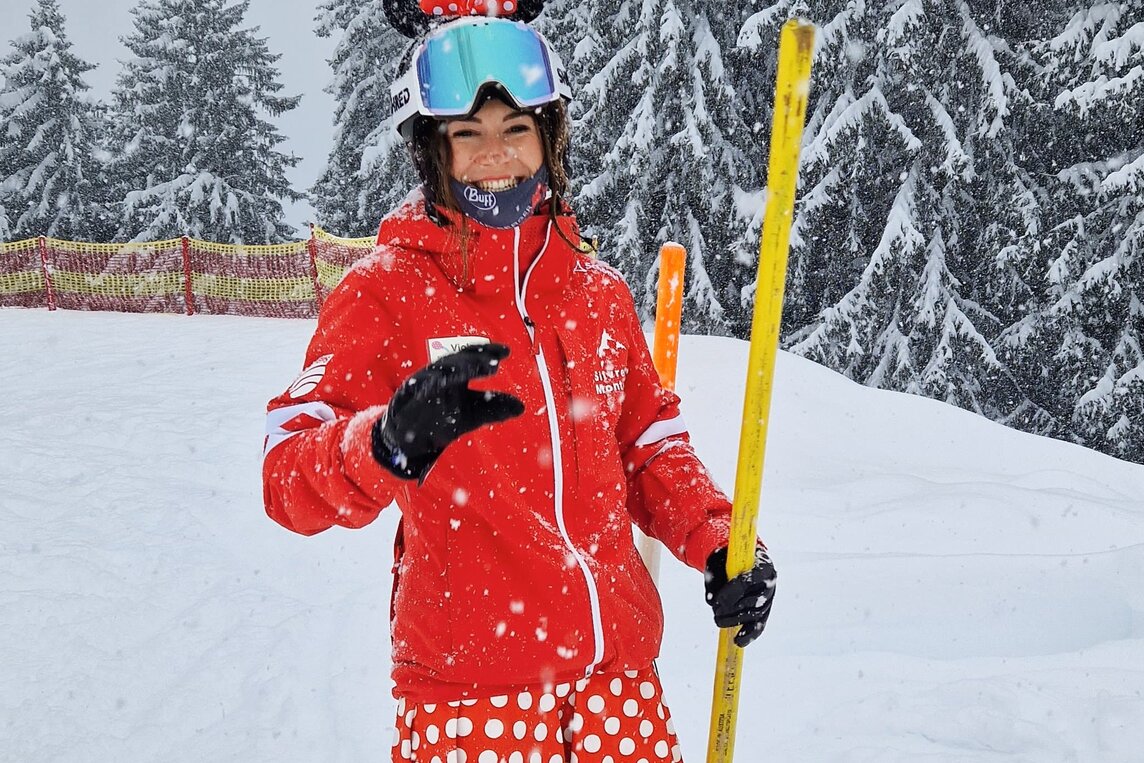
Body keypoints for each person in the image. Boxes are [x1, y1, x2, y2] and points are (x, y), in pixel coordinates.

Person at [262, 8, 776, 762]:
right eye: (467, 134)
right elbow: (286, 474)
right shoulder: (387, 292)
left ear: (551, 138)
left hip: (617, 685)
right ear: (431, 150)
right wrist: (379, 445)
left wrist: (721, 541)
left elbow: (650, 442)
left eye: (517, 129)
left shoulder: (595, 292)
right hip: (474, 698)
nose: (495, 156)